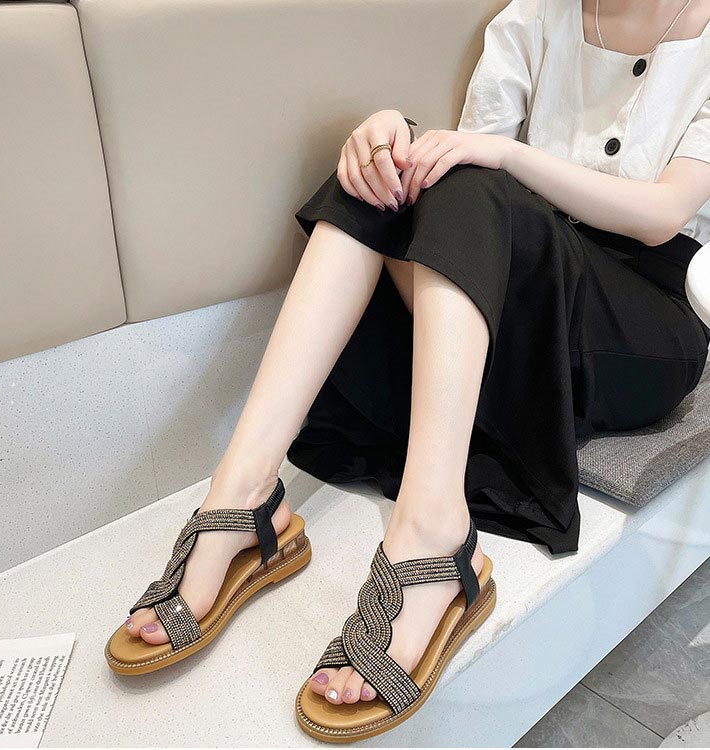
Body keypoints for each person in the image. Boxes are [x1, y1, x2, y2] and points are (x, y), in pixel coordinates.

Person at [106, 0, 710, 741]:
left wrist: (507, 158)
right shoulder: (534, 17)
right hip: (527, 274)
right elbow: (462, 175)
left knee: (472, 175)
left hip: (644, 316)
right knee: (381, 175)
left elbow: (661, 213)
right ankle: (243, 493)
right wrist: (394, 137)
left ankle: (430, 530)